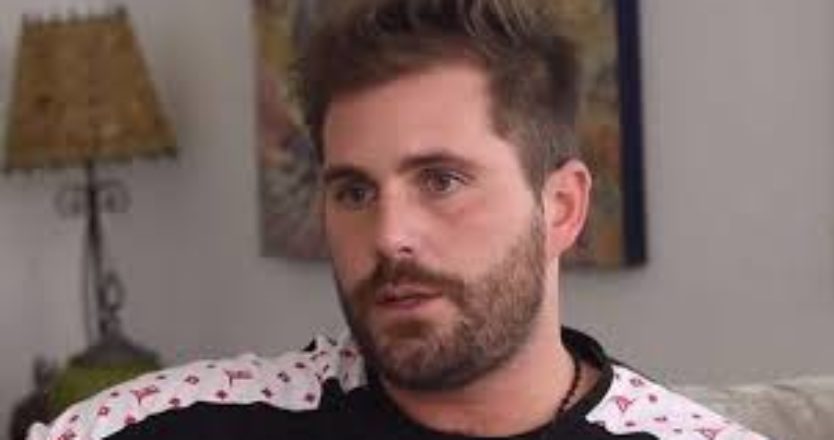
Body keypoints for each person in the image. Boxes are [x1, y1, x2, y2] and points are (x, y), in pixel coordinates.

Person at [28, 1, 768, 439]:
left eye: (441, 181)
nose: (388, 236)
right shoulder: (167, 424)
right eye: (354, 191)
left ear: (562, 207)